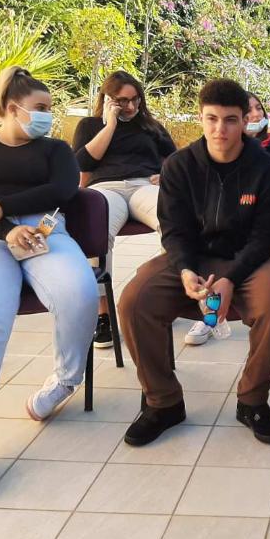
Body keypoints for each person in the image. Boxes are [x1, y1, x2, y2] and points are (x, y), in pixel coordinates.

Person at [116, 78, 270, 447]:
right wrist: (184, 270)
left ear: (245, 121)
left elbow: (266, 237)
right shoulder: (179, 166)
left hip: (247, 262)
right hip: (192, 259)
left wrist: (231, 278)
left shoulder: (266, 168)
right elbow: (174, 231)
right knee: (135, 299)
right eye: (211, 119)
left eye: (230, 120)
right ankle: (163, 402)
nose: (220, 129)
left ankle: (252, 401)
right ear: (200, 118)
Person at [0, 67, 98, 481]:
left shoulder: (55, 150)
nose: (48, 115)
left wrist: (4, 204)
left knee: (80, 293)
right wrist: (4, 226)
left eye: (50, 107)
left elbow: (62, 189)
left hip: (45, 231)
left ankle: (64, 381)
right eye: (40, 107)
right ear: (13, 108)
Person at [72, 71, 176, 350]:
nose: (130, 106)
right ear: (107, 100)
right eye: (122, 101)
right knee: (96, 232)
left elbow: (176, 159)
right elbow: (83, 162)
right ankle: (103, 315)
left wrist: (166, 174)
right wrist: (110, 125)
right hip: (106, 188)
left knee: (174, 219)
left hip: (144, 186)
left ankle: (167, 293)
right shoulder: (89, 125)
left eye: (135, 99)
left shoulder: (151, 126)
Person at [183, 90, 270, 346]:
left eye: (258, 109)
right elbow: (179, 224)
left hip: (255, 231)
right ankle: (208, 315)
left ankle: (217, 312)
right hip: (210, 241)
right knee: (139, 297)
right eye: (213, 119)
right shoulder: (194, 159)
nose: (255, 114)